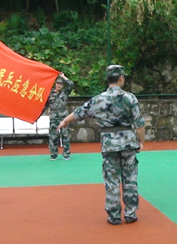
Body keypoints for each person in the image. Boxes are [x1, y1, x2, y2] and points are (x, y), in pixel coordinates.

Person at [58, 65, 146, 225]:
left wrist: (65, 121)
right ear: (121, 78)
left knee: (111, 180)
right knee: (130, 179)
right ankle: (131, 213)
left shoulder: (99, 99)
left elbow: (80, 112)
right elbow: (139, 124)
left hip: (109, 143)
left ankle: (114, 216)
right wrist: (141, 141)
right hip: (128, 142)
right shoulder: (130, 98)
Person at [45, 73, 74, 160]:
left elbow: (71, 84)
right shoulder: (50, 94)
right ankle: (53, 154)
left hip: (63, 117)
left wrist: (63, 76)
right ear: (55, 84)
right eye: (57, 83)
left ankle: (66, 154)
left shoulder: (65, 92)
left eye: (61, 84)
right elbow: (45, 105)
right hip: (54, 117)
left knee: (65, 135)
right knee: (53, 136)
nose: (59, 85)